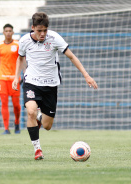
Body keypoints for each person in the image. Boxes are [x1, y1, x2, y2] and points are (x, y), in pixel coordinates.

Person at [12, 12, 98, 160]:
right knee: (31, 112)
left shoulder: (54, 38)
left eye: (45, 30)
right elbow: (20, 59)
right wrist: (15, 77)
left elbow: (71, 56)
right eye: (39, 30)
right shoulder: (24, 40)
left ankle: (40, 116)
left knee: (47, 126)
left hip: (51, 85)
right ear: (33, 28)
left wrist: (86, 75)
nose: (42, 34)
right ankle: (37, 150)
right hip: (31, 82)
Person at [0, 24, 21, 135]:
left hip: (14, 79)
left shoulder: (18, 44)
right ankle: (6, 128)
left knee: (16, 105)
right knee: (4, 103)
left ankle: (17, 123)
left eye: (10, 31)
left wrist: (22, 75)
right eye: (6, 31)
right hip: (2, 78)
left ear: (13, 32)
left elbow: (22, 60)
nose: (8, 33)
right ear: (3, 32)